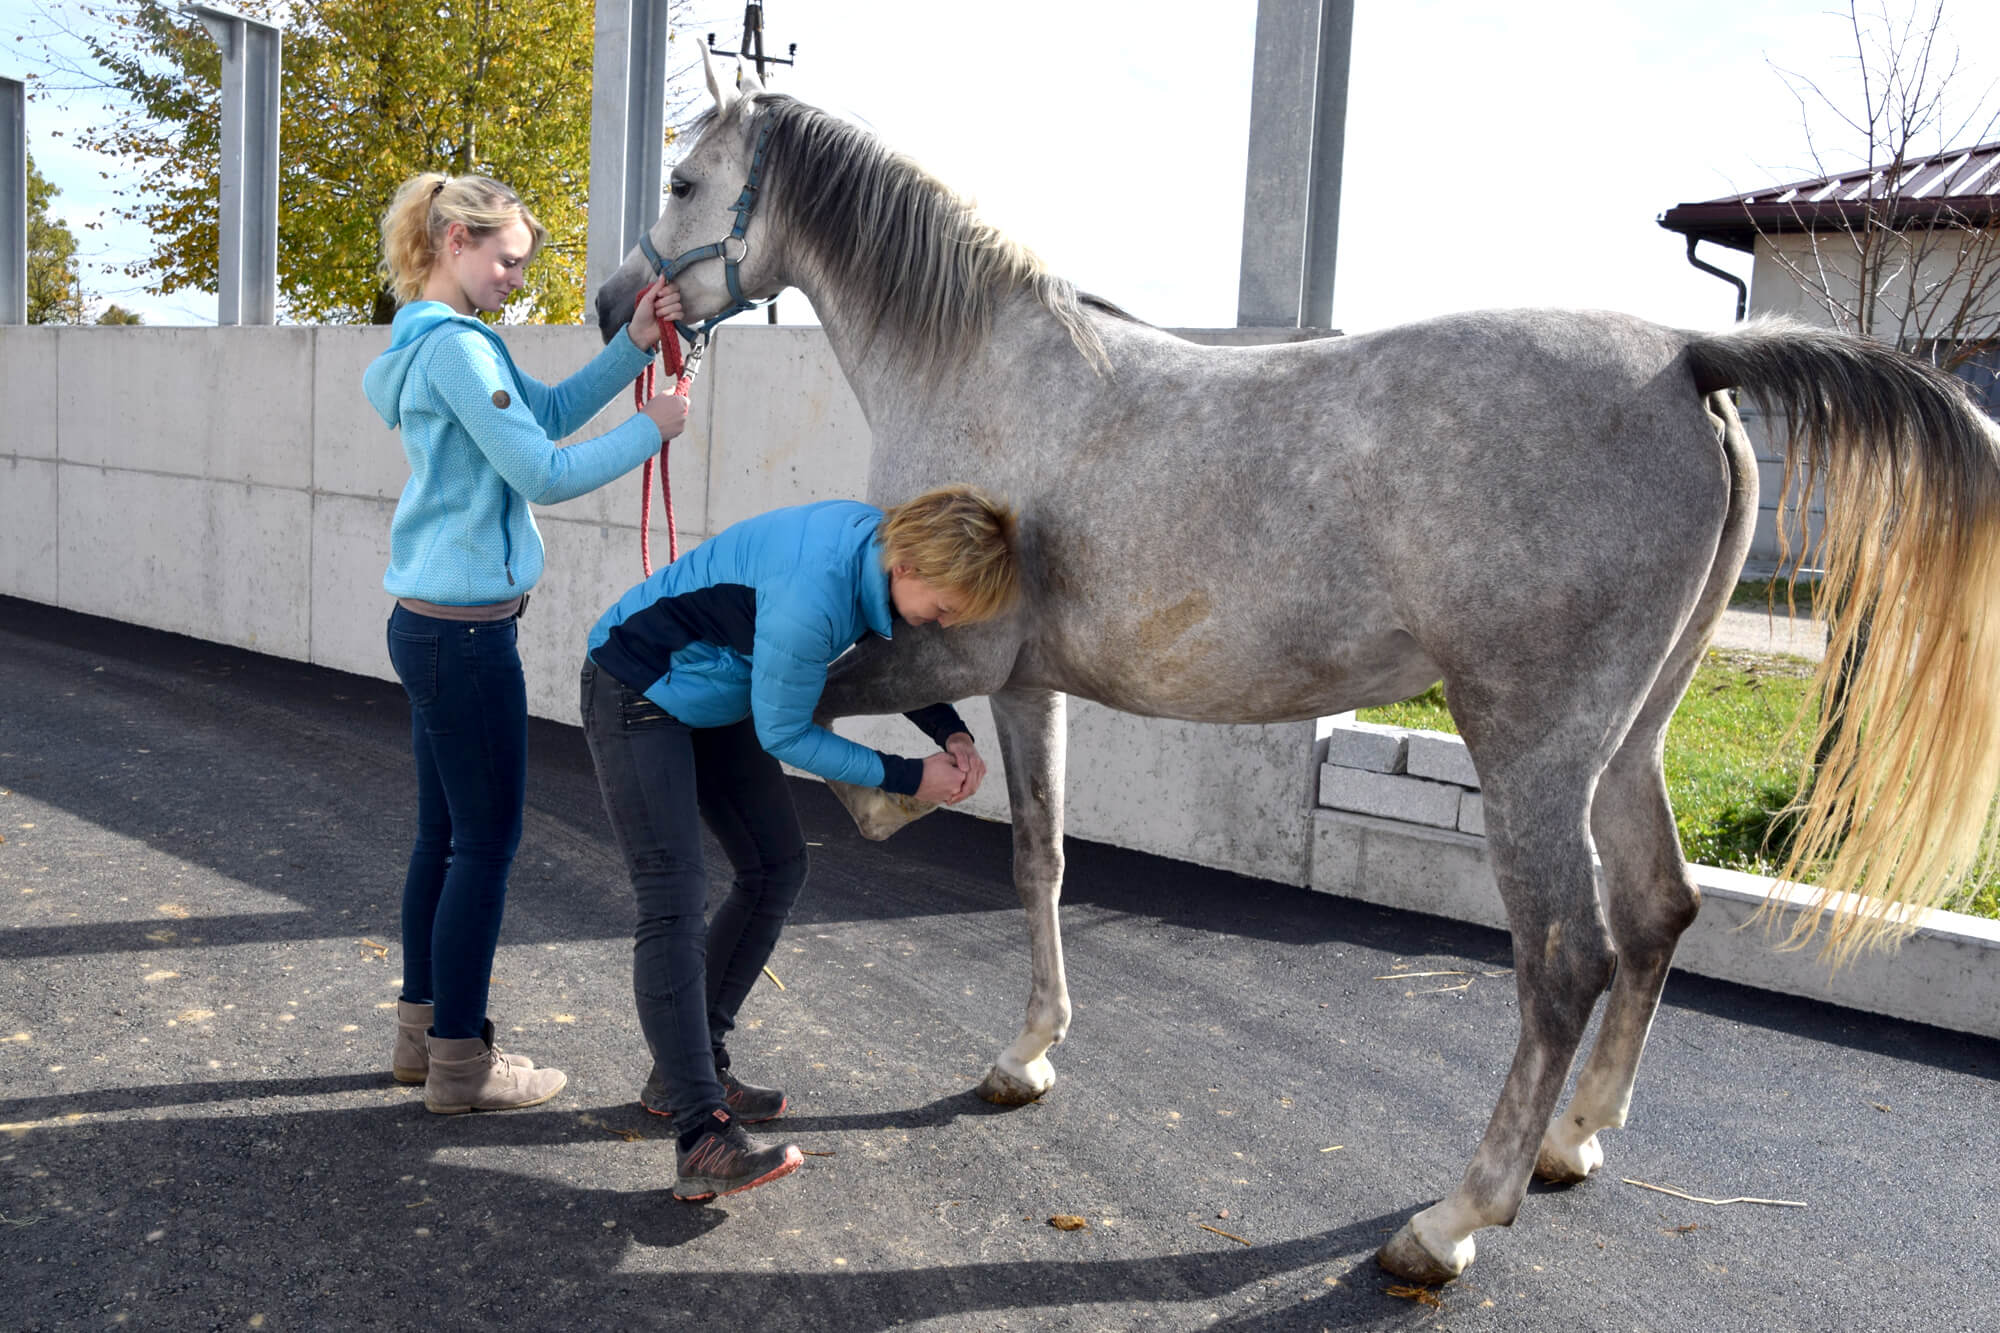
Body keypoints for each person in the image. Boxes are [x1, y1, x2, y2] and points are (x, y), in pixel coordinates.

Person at [580, 485, 1020, 1200]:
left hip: (719, 697)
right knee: (672, 899)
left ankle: (687, 1068)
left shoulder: (880, 557)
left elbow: (889, 657)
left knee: (775, 866)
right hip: (638, 689)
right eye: (949, 603)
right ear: (907, 563)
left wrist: (952, 733)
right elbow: (784, 732)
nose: (952, 620)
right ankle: (702, 1134)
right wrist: (912, 775)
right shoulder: (816, 586)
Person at [364, 171, 690, 1114]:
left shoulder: (441, 345)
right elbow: (542, 472)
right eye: (507, 260)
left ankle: (421, 1036)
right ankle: (463, 1064)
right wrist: (651, 429)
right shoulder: (459, 352)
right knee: (487, 844)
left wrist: (631, 349)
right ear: (455, 240)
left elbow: (540, 417)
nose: (516, 277)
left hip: (429, 625)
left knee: (444, 837)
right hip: (465, 640)